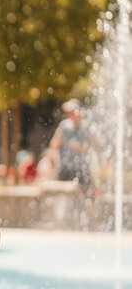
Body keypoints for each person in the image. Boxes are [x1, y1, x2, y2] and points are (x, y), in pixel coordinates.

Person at [48, 98, 96, 228]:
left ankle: (90, 224)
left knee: (87, 195)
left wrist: (80, 147)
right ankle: (58, 222)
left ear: (78, 111)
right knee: (59, 194)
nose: (69, 114)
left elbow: (93, 147)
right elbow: (54, 144)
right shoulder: (64, 126)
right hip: (64, 166)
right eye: (67, 112)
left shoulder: (86, 127)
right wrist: (53, 154)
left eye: (71, 111)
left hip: (81, 168)